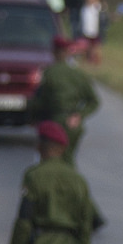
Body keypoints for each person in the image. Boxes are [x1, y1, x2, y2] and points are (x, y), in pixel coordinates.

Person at [30, 34, 100, 166]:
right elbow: (94, 101)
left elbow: (39, 102)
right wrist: (79, 116)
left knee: (48, 163)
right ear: (68, 52)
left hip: (53, 122)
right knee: (68, 160)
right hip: (72, 125)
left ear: (54, 52)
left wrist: (33, 119)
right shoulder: (79, 75)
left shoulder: (49, 73)